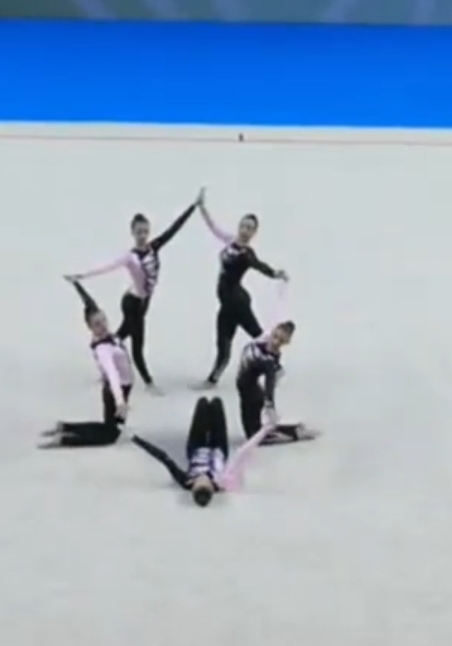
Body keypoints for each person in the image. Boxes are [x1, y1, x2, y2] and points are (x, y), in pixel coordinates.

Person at [67, 194, 199, 392]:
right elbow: (107, 267)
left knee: (120, 336)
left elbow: (173, 229)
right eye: (139, 232)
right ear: (132, 233)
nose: (143, 235)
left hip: (143, 301)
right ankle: (149, 383)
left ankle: (105, 365)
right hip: (132, 303)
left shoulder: (154, 247)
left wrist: (193, 207)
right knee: (137, 344)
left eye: (145, 231)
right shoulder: (130, 257)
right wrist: (82, 276)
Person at [196, 190, 288, 387]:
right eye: (243, 226)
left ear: (254, 233)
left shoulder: (247, 253)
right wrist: (202, 208)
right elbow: (214, 229)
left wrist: (275, 274)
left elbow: (259, 265)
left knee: (258, 335)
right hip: (227, 304)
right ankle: (212, 380)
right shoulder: (231, 241)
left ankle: (276, 367)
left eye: (250, 228)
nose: (245, 230)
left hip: (237, 303)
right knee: (223, 344)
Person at [39, 278, 135, 448]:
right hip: (117, 389)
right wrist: (120, 400)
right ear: (90, 327)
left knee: (110, 428)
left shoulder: (106, 337)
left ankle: (65, 427)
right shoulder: (104, 350)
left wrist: (78, 287)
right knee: (110, 435)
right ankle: (65, 440)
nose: (103, 326)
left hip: (120, 387)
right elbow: (112, 374)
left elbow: (90, 303)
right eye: (97, 324)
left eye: (104, 320)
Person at [130, 396, 275, 506]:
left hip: (196, 447)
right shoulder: (222, 481)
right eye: (206, 482)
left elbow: (163, 457)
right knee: (217, 403)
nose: (202, 478)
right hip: (219, 447)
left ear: (193, 488)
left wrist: (135, 439)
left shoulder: (185, 480)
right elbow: (243, 453)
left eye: (198, 482)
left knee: (203, 403)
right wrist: (265, 430)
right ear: (212, 489)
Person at [235, 319, 317, 445]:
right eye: (275, 337)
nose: (276, 342)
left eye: (281, 341)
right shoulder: (257, 345)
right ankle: (294, 430)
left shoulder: (273, 356)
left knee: (254, 435)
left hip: (251, 389)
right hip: (248, 384)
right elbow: (250, 359)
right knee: (255, 432)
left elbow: (271, 379)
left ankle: (294, 432)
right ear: (271, 332)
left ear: (287, 342)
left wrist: (268, 400)